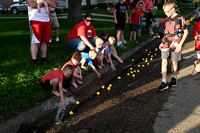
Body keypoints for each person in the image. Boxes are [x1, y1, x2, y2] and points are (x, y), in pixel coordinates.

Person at [158, 0, 188, 91]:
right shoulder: (166, 19)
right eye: (165, 12)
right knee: (164, 62)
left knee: (174, 62)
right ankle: (164, 82)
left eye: (167, 11)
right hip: (165, 43)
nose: (166, 13)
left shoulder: (180, 18)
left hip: (176, 44)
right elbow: (166, 32)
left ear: (173, 9)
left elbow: (186, 32)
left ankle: (174, 77)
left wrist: (180, 45)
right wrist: (162, 42)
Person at [27, 0, 57, 65]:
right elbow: (32, 5)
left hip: (46, 19)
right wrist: (47, 4)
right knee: (35, 41)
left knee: (44, 41)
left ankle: (43, 59)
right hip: (35, 19)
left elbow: (54, 4)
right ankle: (34, 61)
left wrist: (42, 3)